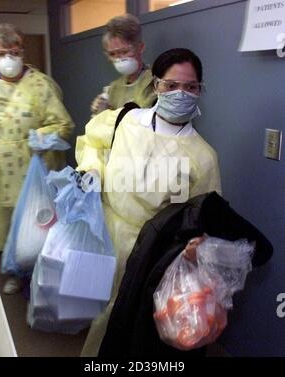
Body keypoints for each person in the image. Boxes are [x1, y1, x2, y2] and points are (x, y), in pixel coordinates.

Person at [76, 48, 221, 356]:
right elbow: (91, 141)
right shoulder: (126, 121)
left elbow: (205, 216)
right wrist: (92, 169)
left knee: (130, 325)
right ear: (156, 86)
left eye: (190, 87)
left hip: (153, 254)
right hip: (107, 234)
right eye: (171, 85)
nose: (180, 93)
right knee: (99, 311)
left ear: (200, 91)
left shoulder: (203, 156)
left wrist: (197, 245)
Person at [0, 23, 74, 293]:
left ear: (23, 51)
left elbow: (63, 124)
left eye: (14, 51)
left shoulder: (41, 85)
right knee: (3, 222)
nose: (9, 58)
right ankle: (11, 270)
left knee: (33, 225)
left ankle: (31, 271)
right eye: (3, 53)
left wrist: (42, 137)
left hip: (31, 168)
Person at [90, 13, 157, 115]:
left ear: (140, 47)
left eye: (125, 51)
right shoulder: (113, 89)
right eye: (112, 54)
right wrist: (101, 114)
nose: (119, 59)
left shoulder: (156, 82)